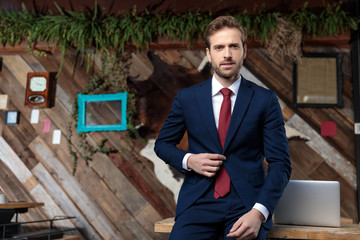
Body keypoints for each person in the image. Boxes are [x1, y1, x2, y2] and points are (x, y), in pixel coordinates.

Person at [154, 16, 292, 240]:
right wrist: (189, 160)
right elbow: (162, 145)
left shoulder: (265, 100)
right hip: (198, 201)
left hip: (247, 204)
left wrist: (259, 213)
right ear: (209, 53)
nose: (227, 54)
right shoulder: (187, 98)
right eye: (219, 47)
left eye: (233, 46)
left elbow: (281, 164)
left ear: (244, 51)